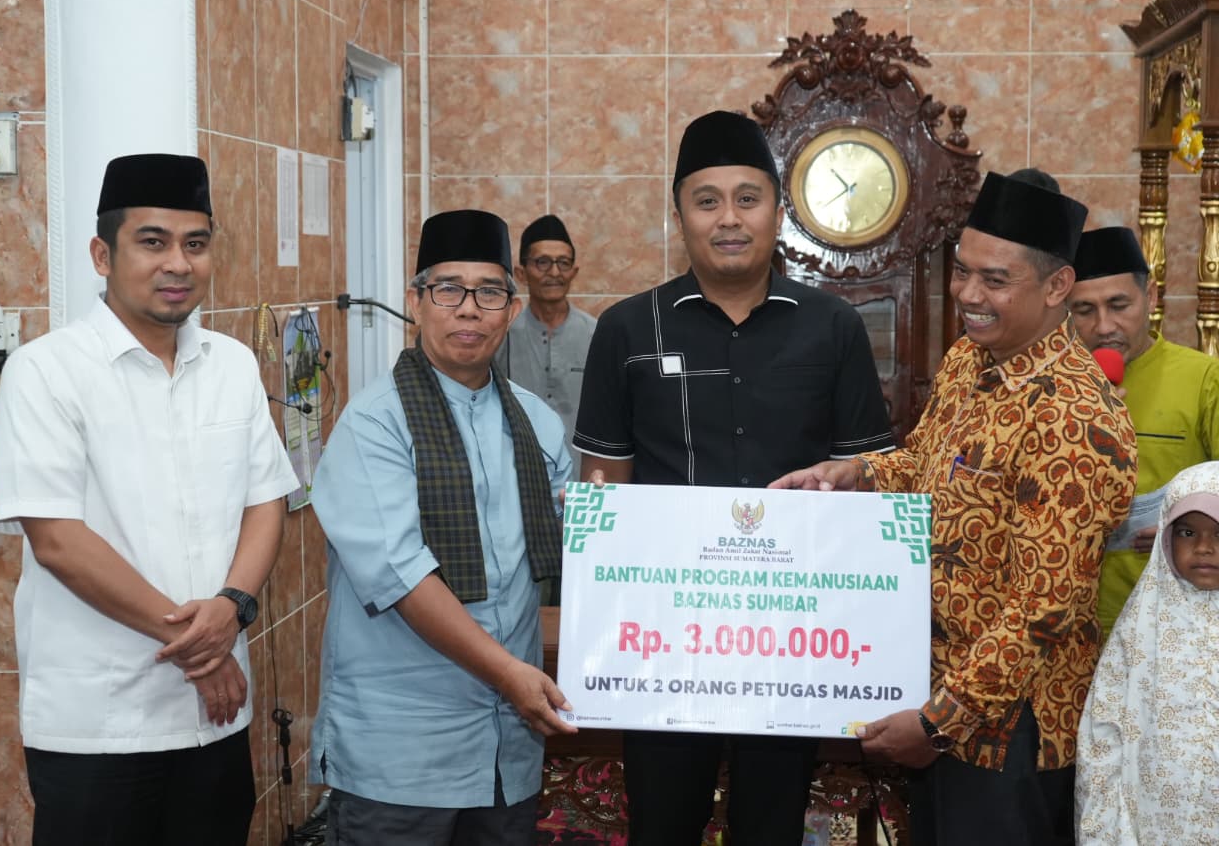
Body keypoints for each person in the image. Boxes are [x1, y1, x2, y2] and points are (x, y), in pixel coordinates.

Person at [771, 172, 1138, 846]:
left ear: (1057, 286)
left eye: (995, 280)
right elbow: (927, 463)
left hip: (1008, 727)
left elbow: (1044, 605)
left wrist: (940, 722)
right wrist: (857, 474)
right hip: (934, 693)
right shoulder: (971, 358)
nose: (968, 294)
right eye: (963, 271)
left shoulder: (1075, 416)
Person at [574, 110, 895, 846]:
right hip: (661, 644)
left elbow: (872, 485)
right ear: (679, 215)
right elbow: (606, 490)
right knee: (661, 824)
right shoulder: (628, 329)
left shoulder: (833, 327)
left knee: (771, 828)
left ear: (778, 212)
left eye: (748, 199)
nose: (728, 219)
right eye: (707, 200)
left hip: (794, 641)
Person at [0, 153, 299, 845]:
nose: (178, 264)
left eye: (196, 243)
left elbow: (265, 502)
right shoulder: (46, 372)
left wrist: (233, 606)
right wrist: (202, 646)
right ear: (103, 255)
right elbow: (59, 542)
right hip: (98, 727)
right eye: (152, 242)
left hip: (216, 722)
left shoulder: (232, 365)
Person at [310, 209, 577, 846]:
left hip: (507, 750)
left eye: (488, 293)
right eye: (448, 289)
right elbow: (402, 579)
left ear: (512, 310)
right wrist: (510, 676)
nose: (469, 310)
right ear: (416, 302)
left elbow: (581, 546)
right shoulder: (374, 425)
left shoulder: (537, 425)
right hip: (401, 755)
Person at [1068, 225, 1219, 634]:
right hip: (1069, 624)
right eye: (1085, 310)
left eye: (1119, 305)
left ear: (1150, 297)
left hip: (1172, 622)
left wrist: (1188, 532)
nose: (1104, 325)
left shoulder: (1203, 378)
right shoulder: (1054, 384)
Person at [1075, 460, 1219, 843]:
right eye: (1187, 532)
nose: (1204, 547)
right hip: (1152, 826)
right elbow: (1102, 737)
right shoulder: (1141, 629)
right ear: (1165, 538)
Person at [496, 213, 596, 484]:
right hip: (516, 479)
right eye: (542, 262)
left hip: (581, 480)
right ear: (521, 273)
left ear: (574, 272)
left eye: (563, 263)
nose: (554, 273)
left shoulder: (597, 335)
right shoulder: (501, 336)